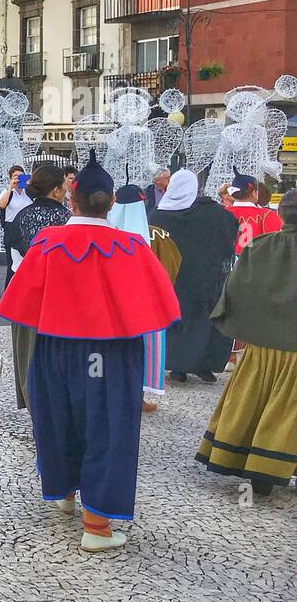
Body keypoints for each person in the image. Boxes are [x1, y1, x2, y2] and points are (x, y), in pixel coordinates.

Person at [0, 151, 180, 553]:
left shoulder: (48, 241)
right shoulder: (132, 246)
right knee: (107, 427)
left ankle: (64, 493)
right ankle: (96, 526)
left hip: (54, 351)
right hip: (110, 355)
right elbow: (158, 307)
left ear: (71, 200)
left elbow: (21, 301)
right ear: (111, 201)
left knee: (58, 416)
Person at [196, 190, 297, 496]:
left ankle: (258, 473)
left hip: (261, 349)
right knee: (288, 411)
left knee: (254, 403)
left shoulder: (259, 246)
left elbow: (236, 288)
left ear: (283, 215)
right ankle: (275, 465)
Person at [148, 169, 239, 383]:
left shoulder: (158, 213)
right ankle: (202, 364)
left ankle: (178, 365)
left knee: (177, 321)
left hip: (172, 278)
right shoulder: (211, 212)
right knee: (202, 322)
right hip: (205, 278)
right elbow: (231, 227)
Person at [108, 183, 181, 414]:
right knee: (139, 351)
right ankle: (135, 396)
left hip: (110, 305)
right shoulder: (157, 236)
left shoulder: (106, 234)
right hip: (142, 306)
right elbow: (172, 266)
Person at [6, 165, 71, 411]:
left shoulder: (20, 217)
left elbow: (11, 256)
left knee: (28, 356)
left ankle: (35, 408)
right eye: (63, 185)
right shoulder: (68, 219)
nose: (66, 190)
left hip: (25, 293)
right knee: (57, 359)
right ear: (55, 190)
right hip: (59, 296)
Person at [224, 171, 281, 254]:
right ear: (254, 193)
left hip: (226, 263)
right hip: (257, 263)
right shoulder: (267, 215)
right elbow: (275, 245)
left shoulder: (221, 214)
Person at [0, 164, 31, 288]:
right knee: (12, 264)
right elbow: (1, 205)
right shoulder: (8, 192)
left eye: (20, 176)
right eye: (15, 176)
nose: (18, 179)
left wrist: (29, 184)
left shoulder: (28, 192)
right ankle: (9, 290)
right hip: (12, 230)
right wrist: (10, 187)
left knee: (26, 263)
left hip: (27, 230)